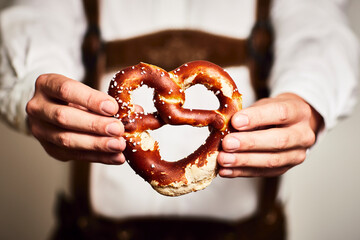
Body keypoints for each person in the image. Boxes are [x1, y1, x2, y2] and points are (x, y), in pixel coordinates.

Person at [0, 0, 358, 239]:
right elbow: (38, 16)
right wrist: (36, 83)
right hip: (91, 231)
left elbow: (320, 29)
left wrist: (307, 100)